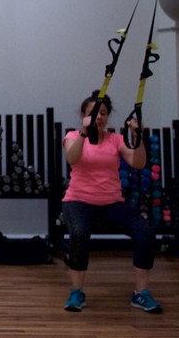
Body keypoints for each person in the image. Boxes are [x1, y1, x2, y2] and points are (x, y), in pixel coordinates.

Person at [61, 91, 162, 313]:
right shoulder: (72, 136)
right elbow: (72, 158)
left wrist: (137, 138)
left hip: (111, 202)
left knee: (145, 233)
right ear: (83, 116)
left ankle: (141, 293)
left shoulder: (116, 140)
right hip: (78, 200)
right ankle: (77, 292)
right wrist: (84, 133)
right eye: (94, 113)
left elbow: (138, 163)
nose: (99, 117)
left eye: (103, 113)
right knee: (79, 233)